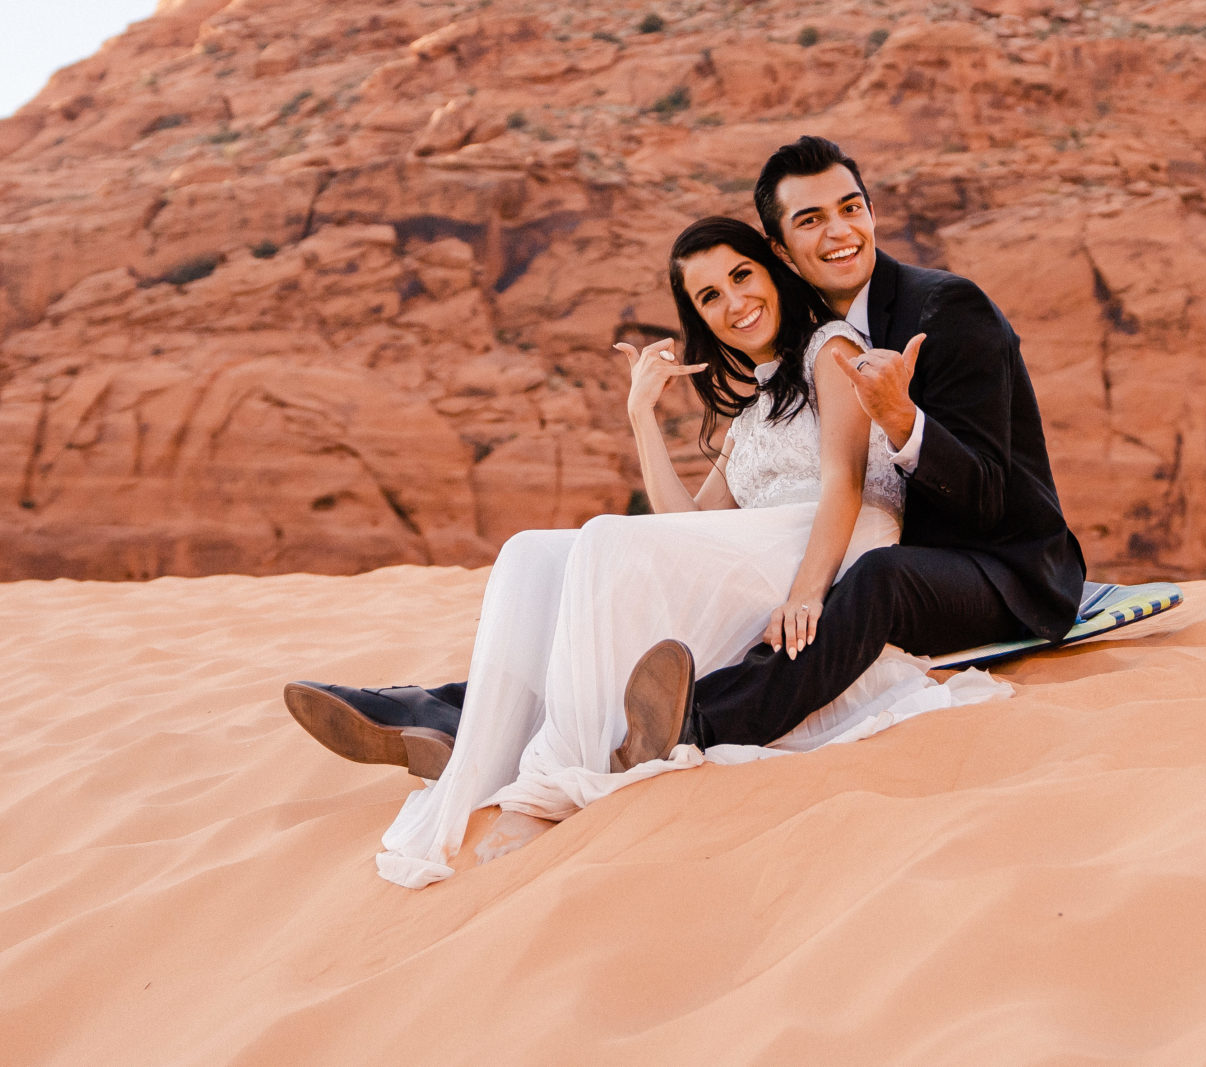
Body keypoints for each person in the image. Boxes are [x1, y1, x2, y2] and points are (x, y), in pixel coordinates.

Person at [313, 214, 1003, 888]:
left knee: (609, 545)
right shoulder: (753, 410)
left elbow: (843, 483)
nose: (734, 302)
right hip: (757, 554)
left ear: (773, 271)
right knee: (532, 552)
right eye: (710, 296)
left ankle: (544, 785)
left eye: (742, 276)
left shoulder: (831, 347)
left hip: (825, 550)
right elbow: (687, 523)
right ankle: (490, 729)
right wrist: (642, 415)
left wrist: (808, 591)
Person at [608, 135, 1087, 760]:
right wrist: (641, 414)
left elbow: (991, 498)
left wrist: (903, 421)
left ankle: (699, 725)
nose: (841, 232)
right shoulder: (793, 355)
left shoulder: (945, 308)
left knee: (876, 577)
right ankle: (465, 708)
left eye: (851, 208)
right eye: (811, 220)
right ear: (781, 249)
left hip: (998, 569)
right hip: (874, 563)